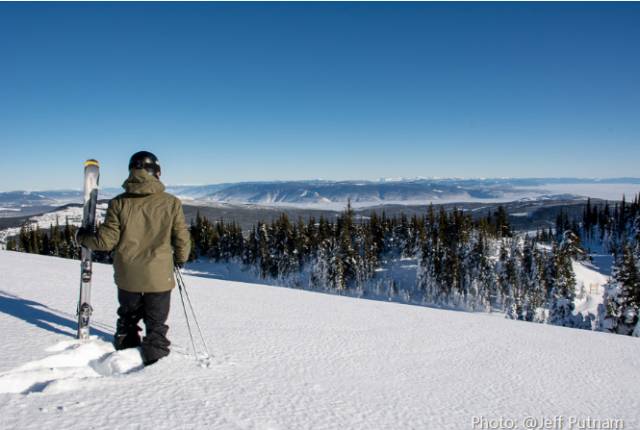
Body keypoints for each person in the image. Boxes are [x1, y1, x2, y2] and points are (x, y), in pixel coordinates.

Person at [77, 151, 191, 365]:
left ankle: (124, 354)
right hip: (159, 276)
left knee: (127, 322)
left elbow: (106, 242)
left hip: (127, 275)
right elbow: (182, 238)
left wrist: (83, 237)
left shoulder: (118, 203)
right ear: (156, 172)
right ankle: (155, 364)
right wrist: (180, 259)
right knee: (156, 326)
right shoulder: (171, 203)